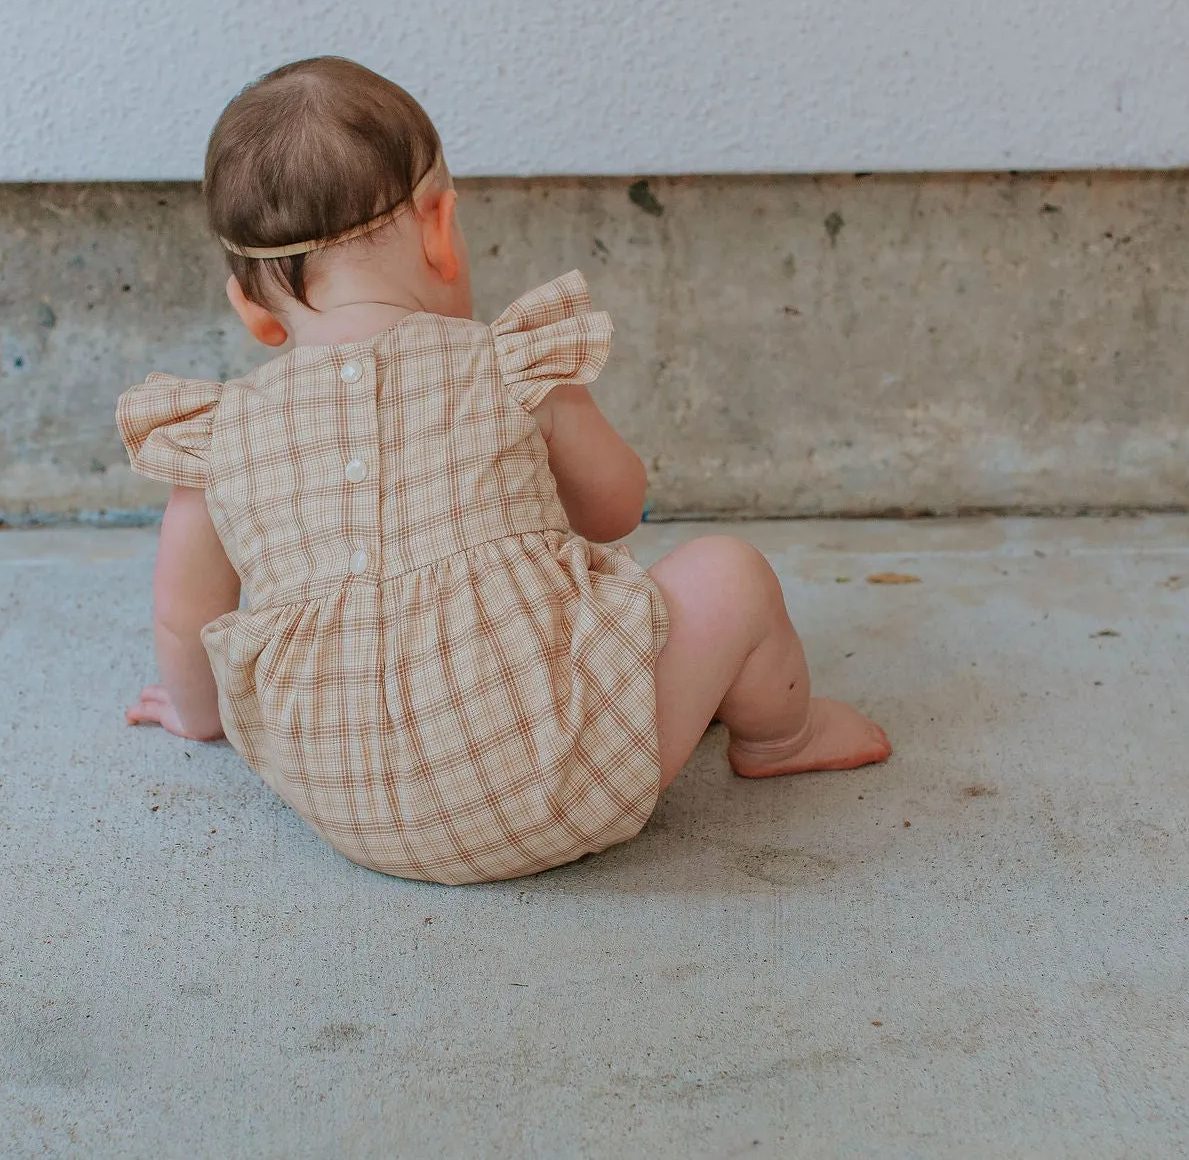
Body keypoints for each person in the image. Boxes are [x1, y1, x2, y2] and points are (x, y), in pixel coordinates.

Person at [117, 57, 889, 885]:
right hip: (563, 778)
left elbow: (183, 613)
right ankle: (784, 736)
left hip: (350, 806)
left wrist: (198, 714)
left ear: (252, 310)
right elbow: (616, 508)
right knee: (728, 575)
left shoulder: (219, 433)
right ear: (441, 232)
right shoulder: (507, 361)